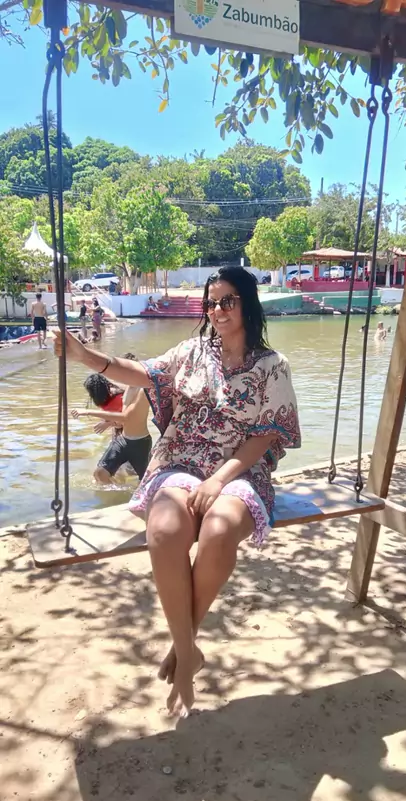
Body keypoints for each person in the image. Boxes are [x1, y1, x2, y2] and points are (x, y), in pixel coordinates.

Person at [54, 266, 300, 716]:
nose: (217, 310)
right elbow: (142, 373)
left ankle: (182, 646)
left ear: (247, 303)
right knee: (165, 531)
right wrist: (85, 355)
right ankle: (188, 653)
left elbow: (266, 436)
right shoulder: (191, 352)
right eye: (211, 302)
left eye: (228, 301)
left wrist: (219, 479)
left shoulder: (272, 365)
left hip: (241, 470)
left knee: (220, 529)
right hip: (180, 461)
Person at [72, 354, 152, 483]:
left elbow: (125, 418)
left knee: (145, 481)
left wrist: (88, 412)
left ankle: (133, 493)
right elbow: (120, 423)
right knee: (99, 474)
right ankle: (120, 492)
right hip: (122, 440)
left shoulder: (142, 391)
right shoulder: (129, 387)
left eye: (126, 371)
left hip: (139, 443)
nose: (121, 376)